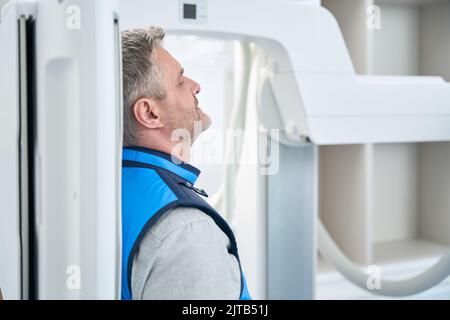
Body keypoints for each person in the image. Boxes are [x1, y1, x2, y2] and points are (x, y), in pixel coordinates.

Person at [120, 26, 251, 300]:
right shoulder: (187, 231)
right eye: (180, 81)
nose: (195, 86)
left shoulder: (111, 185)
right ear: (149, 112)